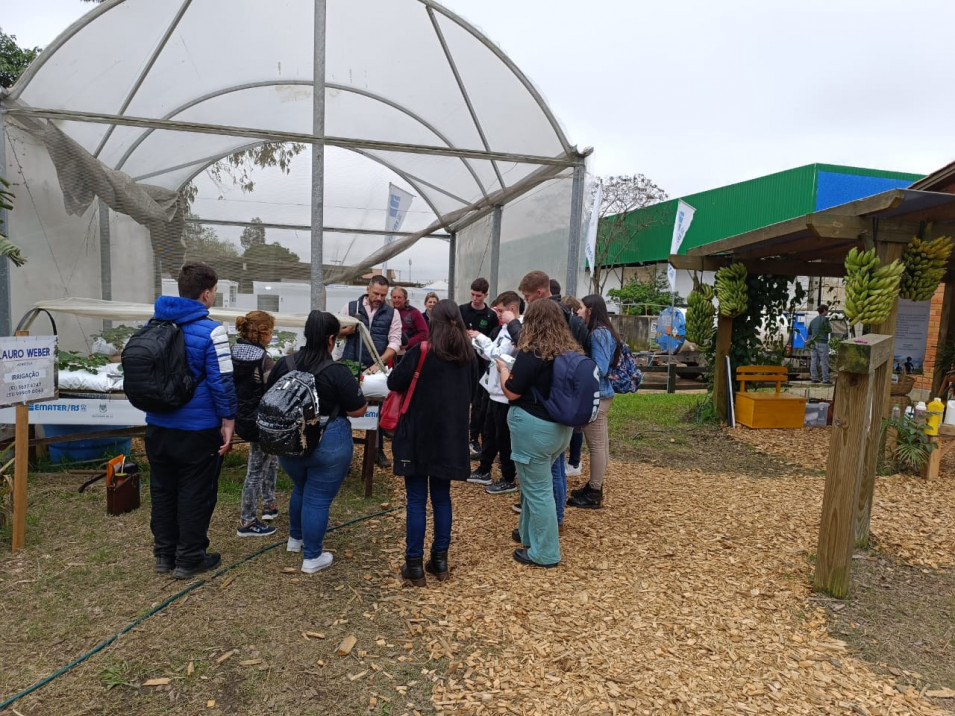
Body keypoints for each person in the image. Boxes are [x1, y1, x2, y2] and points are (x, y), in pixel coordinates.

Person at [145, 262, 237, 580]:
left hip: (157, 424)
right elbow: (222, 381)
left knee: (163, 489)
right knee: (195, 492)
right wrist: (228, 420)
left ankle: (164, 554)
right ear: (207, 294)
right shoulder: (212, 330)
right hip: (197, 429)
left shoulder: (154, 323)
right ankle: (189, 558)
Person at [265, 311, 367, 574]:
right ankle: (312, 557)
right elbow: (357, 410)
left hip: (288, 441)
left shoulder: (285, 364)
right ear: (331, 339)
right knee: (318, 498)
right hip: (327, 441)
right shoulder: (337, 371)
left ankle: (294, 540)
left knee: (301, 487)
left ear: (306, 335)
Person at [388, 300, 478, 586]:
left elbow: (394, 382)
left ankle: (413, 564)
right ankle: (440, 560)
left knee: (416, 500)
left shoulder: (422, 351)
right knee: (442, 498)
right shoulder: (469, 356)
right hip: (451, 436)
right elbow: (473, 392)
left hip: (417, 432)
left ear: (433, 320)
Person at [496, 298, 577, 568]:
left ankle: (545, 553)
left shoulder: (533, 352)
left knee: (539, 491)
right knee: (533, 486)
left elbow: (512, 391)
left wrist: (502, 370)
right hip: (560, 430)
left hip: (534, 430)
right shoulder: (568, 351)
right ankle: (528, 535)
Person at [339, 275, 402, 467]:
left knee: (377, 409)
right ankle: (344, 453)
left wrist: (379, 362)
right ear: (368, 289)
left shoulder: (392, 313)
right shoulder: (351, 307)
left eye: (383, 295)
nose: (379, 298)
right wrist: (346, 330)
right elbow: (335, 330)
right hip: (350, 364)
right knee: (344, 408)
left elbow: (395, 342)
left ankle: (377, 450)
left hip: (376, 368)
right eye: (376, 293)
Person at [567, 295, 621, 510]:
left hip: (598, 395)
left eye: (580, 308)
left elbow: (601, 368)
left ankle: (595, 492)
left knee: (597, 445)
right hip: (604, 394)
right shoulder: (603, 331)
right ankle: (593, 486)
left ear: (590, 309)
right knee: (601, 444)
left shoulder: (598, 334)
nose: (578, 312)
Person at [468, 290, 521, 494]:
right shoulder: (504, 328)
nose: (497, 315)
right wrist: (478, 344)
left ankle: (508, 477)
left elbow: (502, 356)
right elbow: (491, 355)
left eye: (500, 311)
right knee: (488, 433)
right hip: (493, 390)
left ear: (512, 309)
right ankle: (484, 469)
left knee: (504, 438)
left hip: (505, 393)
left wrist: (481, 338)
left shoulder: (519, 330)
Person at [232, 310, 279, 537]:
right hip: (260, 419)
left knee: (270, 459)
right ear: (263, 333)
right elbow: (273, 388)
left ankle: (269, 505)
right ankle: (248, 521)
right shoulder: (263, 359)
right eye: (270, 331)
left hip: (240, 415)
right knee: (256, 470)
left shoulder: (233, 352)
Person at [459, 278, 497, 457]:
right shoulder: (462, 310)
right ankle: (459, 437)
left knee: (478, 403)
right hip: (462, 362)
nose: (475, 298)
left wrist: (480, 336)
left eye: (479, 296)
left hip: (481, 365)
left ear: (486, 295)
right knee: (460, 400)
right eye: (473, 294)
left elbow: (493, 341)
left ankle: (474, 438)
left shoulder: (490, 316)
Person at [560, 295, 584, 477]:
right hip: (579, 378)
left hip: (570, 378)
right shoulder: (582, 326)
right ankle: (574, 460)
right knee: (576, 426)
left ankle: (573, 461)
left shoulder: (571, 325)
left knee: (572, 425)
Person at [391, 286, 429, 361]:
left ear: (405, 299)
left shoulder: (415, 313)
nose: (396, 300)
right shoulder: (388, 312)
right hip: (391, 353)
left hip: (409, 353)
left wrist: (408, 342)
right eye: (394, 297)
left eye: (399, 297)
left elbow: (425, 333)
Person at [808, 304, 832, 384]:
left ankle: (814, 378)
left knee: (814, 361)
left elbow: (809, 333)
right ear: (824, 310)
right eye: (827, 310)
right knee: (824, 361)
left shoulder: (813, 320)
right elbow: (829, 330)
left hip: (813, 343)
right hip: (822, 343)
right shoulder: (825, 320)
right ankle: (825, 379)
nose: (828, 312)